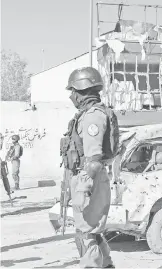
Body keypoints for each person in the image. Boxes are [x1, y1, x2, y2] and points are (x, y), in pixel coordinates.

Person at [65, 66, 117, 268]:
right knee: (92, 231)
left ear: (82, 90)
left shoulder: (92, 116)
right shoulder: (88, 114)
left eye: (73, 91)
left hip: (90, 178)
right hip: (89, 177)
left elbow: (94, 158)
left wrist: (82, 188)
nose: (72, 96)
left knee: (85, 232)